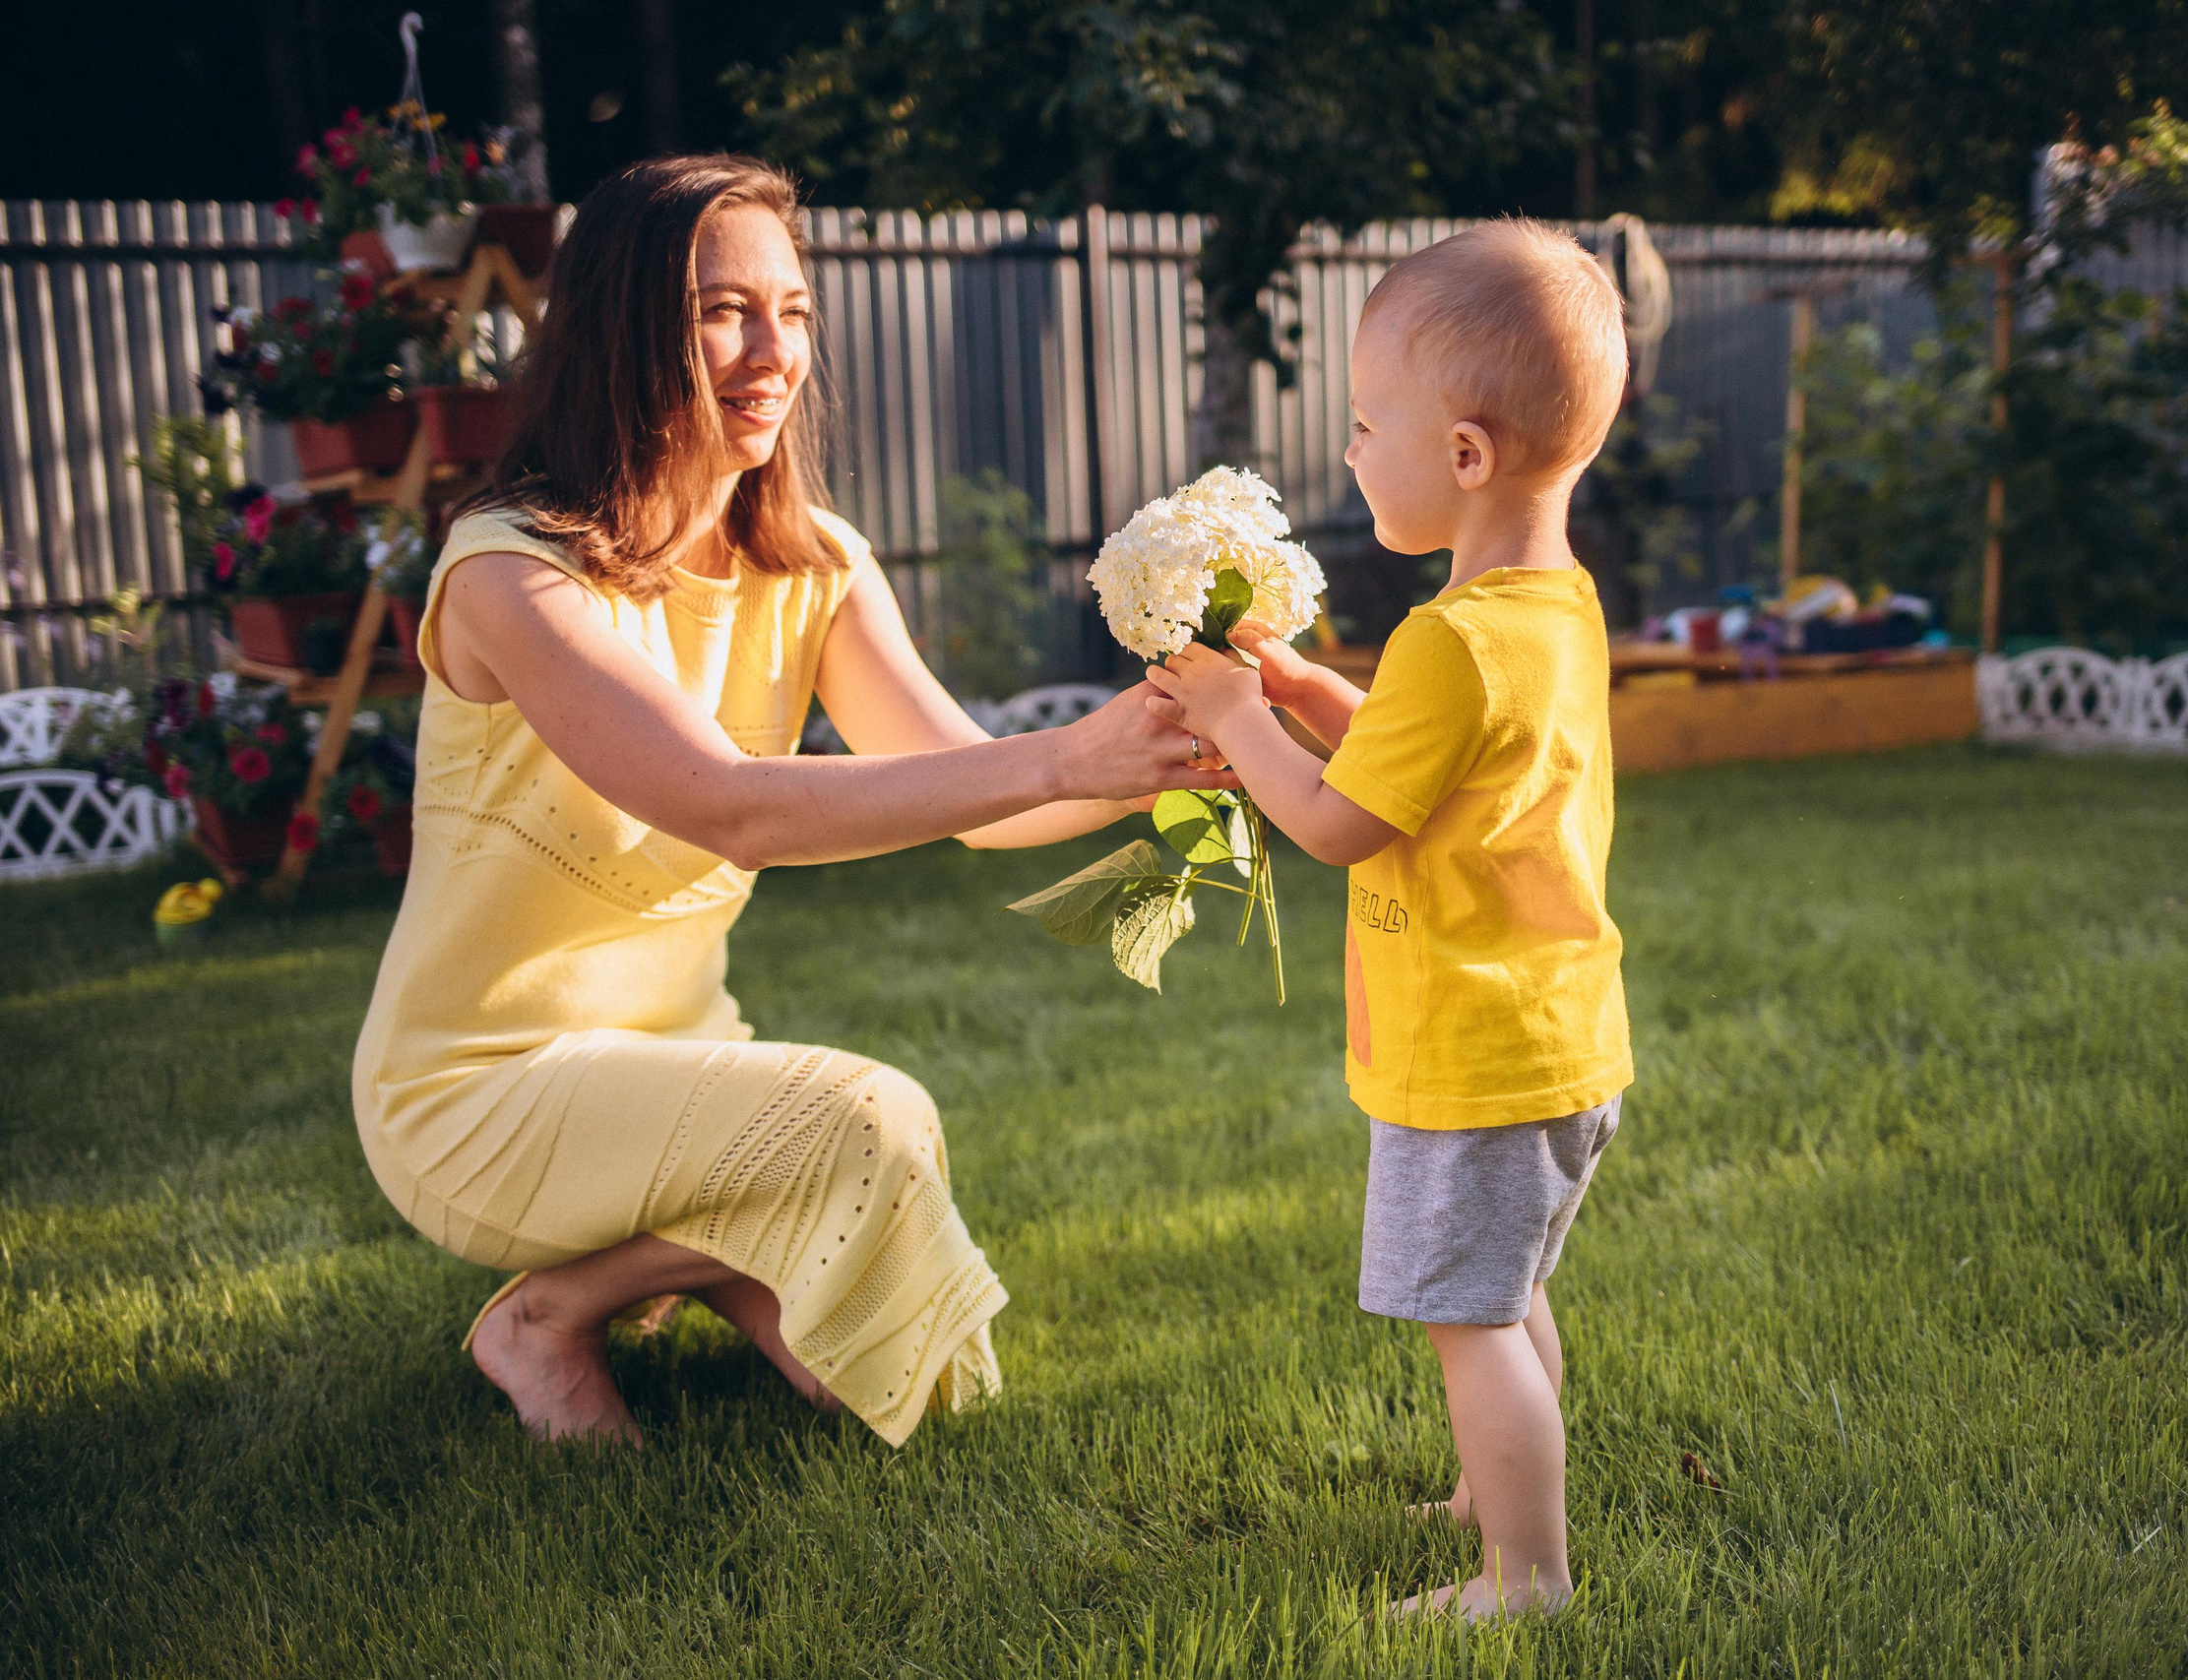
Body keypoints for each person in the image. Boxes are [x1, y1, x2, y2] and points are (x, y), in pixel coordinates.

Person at [351, 155, 1233, 1450]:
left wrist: (1174, 752)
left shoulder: (812, 564)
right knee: (866, 1116)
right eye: (722, 310)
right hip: (477, 1089)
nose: (772, 352)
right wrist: (1065, 756)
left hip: (675, 1049)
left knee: (917, 1391)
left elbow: (982, 802)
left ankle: (680, 1256)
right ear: (622, 326)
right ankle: (547, 1315)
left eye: (794, 311)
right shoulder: (509, 576)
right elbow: (733, 807)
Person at [1144, 220, 1633, 1618]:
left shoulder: (1447, 640)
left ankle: (1524, 1574)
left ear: (1465, 456)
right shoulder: (1548, 611)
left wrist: (1239, 716)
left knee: (1465, 1311)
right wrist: (1306, 693)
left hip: (1468, 1056)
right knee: (1510, 1285)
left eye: (1367, 427)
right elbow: (1437, 776)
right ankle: (1500, 1490)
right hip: (1557, 1037)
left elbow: (1344, 824)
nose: (1351, 453)